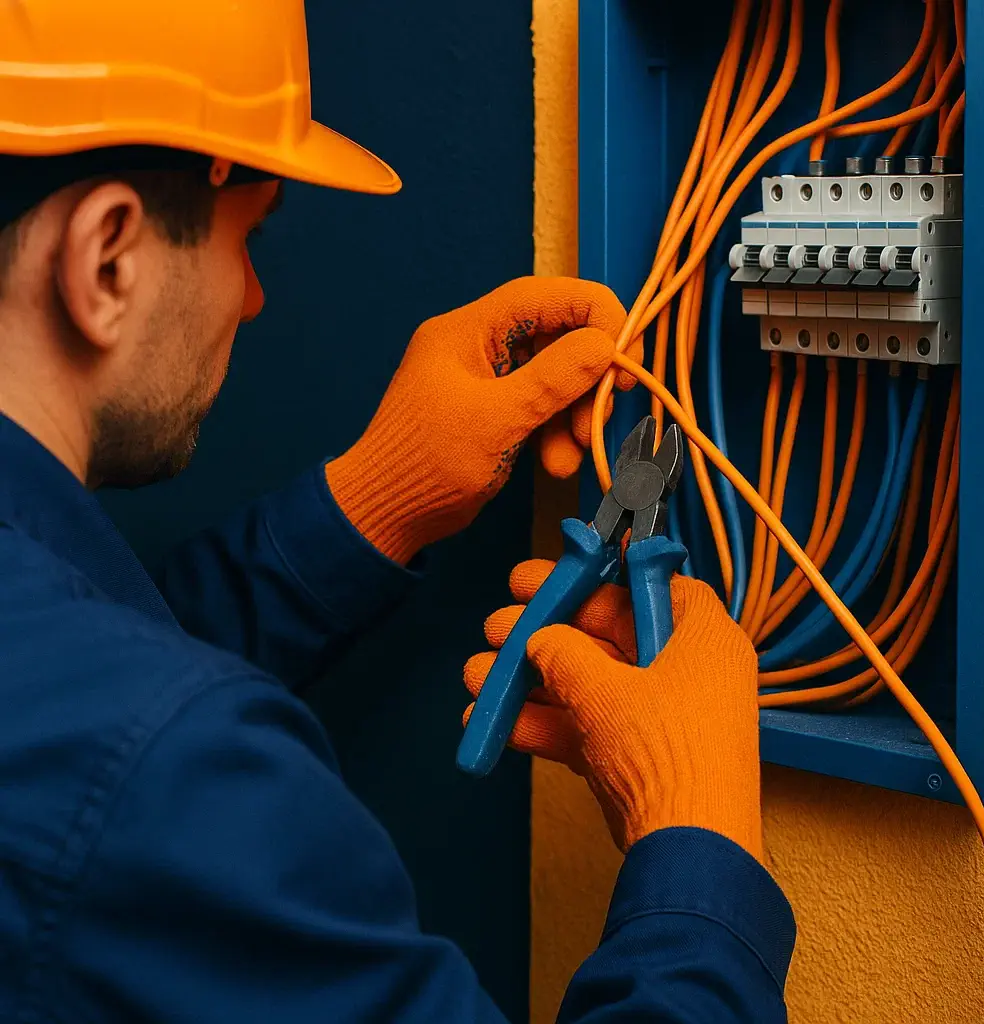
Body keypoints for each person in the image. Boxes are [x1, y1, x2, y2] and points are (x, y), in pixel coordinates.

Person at [0, 2, 795, 1021]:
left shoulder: (84, 716)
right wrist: (701, 849)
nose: (251, 297)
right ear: (107, 258)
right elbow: (123, 754)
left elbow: (74, 678)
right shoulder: (172, 771)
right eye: (252, 236)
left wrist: (377, 496)